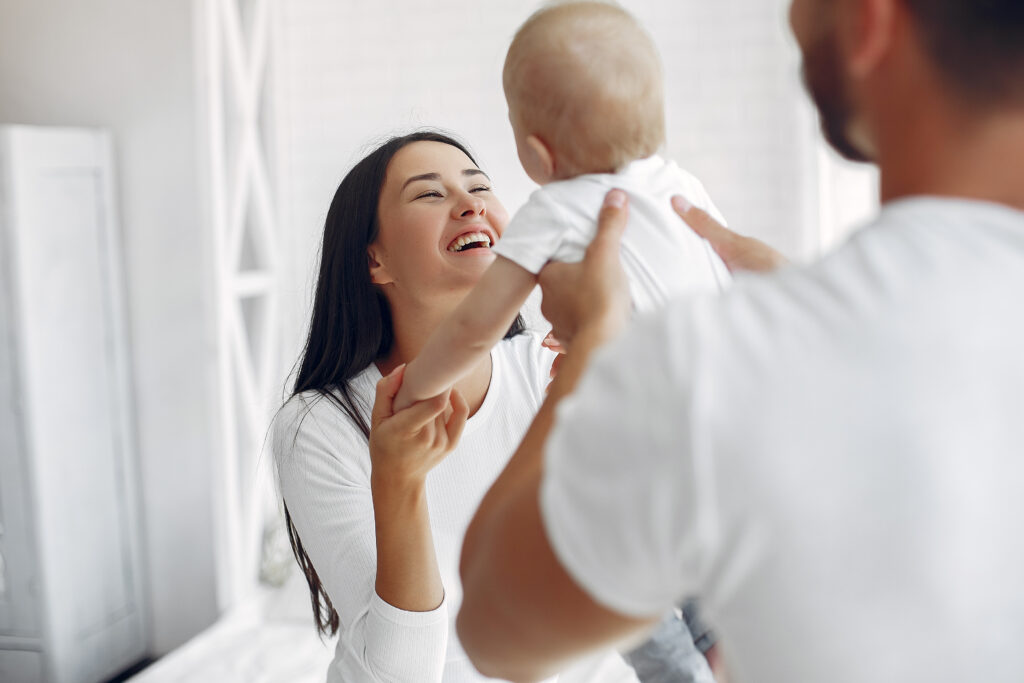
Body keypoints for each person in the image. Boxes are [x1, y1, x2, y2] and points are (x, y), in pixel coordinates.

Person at [456, 0, 1024, 681]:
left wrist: (592, 348)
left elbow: (496, 626)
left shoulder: (710, 367)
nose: (789, 17)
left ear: (871, 20)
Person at [271, 131, 696, 682]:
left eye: (480, 187)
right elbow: (403, 675)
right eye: (429, 194)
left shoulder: (553, 370)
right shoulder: (320, 425)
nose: (470, 204)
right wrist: (398, 485)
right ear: (375, 260)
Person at [392, 1, 729, 412]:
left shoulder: (554, 210)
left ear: (539, 154)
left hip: (655, 405)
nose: (470, 205)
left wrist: (412, 391)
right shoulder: (682, 186)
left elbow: (473, 330)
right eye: (431, 193)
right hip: (727, 380)